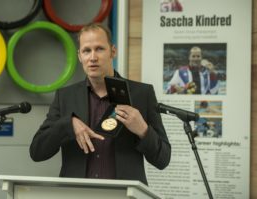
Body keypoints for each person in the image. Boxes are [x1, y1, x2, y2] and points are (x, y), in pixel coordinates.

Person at [29, 23, 171, 185]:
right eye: (86, 51)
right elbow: (37, 152)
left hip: (124, 196)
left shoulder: (141, 94)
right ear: (79, 56)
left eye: (99, 49)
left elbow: (163, 160)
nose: (93, 57)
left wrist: (143, 130)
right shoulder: (65, 97)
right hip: (76, 195)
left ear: (113, 51)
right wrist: (67, 124)